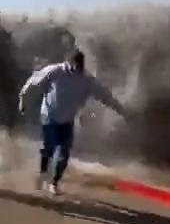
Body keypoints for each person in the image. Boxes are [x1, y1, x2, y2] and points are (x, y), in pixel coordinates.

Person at [18, 50, 128, 195]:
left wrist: (120, 109)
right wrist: (22, 99)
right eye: (75, 66)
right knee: (48, 149)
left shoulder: (86, 78)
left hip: (68, 119)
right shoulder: (54, 71)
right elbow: (33, 81)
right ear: (68, 62)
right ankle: (43, 175)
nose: (77, 70)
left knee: (64, 152)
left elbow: (104, 95)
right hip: (49, 116)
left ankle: (54, 183)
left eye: (80, 66)